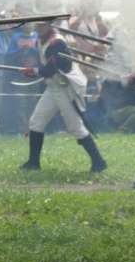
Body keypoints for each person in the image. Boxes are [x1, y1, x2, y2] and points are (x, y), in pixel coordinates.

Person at [19, 22, 108, 172]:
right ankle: (33, 162)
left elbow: (54, 68)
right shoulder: (43, 40)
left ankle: (99, 162)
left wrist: (33, 72)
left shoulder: (57, 43)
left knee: (76, 128)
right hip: (53, 87)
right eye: (37, 25)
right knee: (36, 122)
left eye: (41, 25)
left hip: (65, 88)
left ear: (48, 25)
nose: (38, 28)